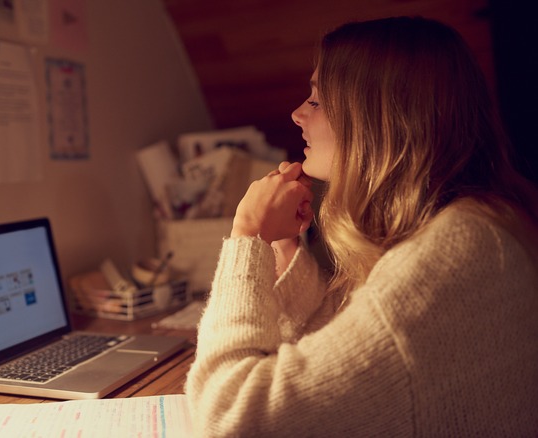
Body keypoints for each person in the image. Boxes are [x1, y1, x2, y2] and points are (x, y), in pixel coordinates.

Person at [184, 16, 538, 437]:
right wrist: (283, 247)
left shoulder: (459, 252)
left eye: (316, 101)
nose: (297, 113)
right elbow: (331, 354)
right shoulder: (467, 223)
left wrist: (248, 236)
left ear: (380, 117)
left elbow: (230, 417)